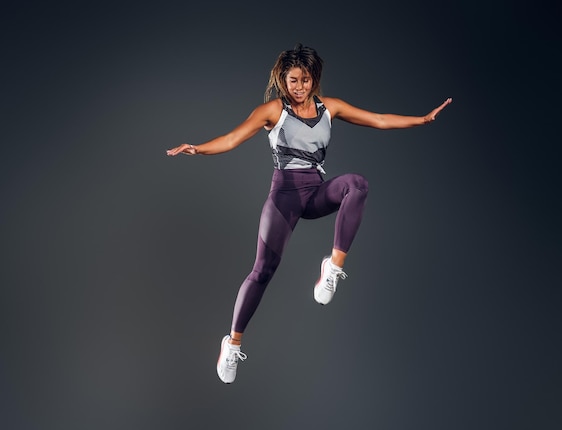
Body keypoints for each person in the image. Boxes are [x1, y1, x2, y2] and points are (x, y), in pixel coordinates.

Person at [166, 44, 452, 384]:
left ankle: (333, 266)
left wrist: (421, 120)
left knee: (356, 184)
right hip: (284, 197)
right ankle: (233, 343)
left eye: (305, 80)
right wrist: (198, 148)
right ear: (283, 80)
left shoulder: (329, 107)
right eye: (292, 81)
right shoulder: (274, 110)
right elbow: (231, 138)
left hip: (315, 191)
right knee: (262, 272)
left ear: (314, 80)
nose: (298, 87)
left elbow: (377, 119)